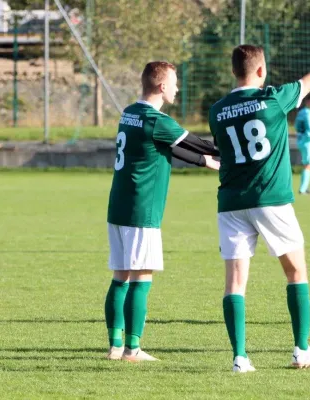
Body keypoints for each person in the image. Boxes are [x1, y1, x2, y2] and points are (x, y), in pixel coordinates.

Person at [208, 24, 310, 372]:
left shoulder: (217, 110)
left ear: (234, 71)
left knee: (235, 282)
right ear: (262, 70)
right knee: (296, 271)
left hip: (232, 202)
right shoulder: (273, 98)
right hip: (271, 198)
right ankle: (301, 350)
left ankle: (239, 357)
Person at [105, 61, 219, 362]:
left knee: (120, 277)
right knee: (142, 277)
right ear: (162, 86)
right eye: (176, 82)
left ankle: (115, 346)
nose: (178, 88)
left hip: (118, 206)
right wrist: (230, 151)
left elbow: (166, 146)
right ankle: (133, 349)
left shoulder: (130, 112)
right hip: (142, 209)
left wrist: (201, 162)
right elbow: (196, 142)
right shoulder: (158, 120)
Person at [295, 94, 310, 194]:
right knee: (309, 164)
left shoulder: (302, 112)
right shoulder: (308, 113)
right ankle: (302, 189)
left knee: (308, 164)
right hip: (308, 141)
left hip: (302, 140)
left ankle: (304, 187)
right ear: (307, 102)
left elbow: (297, 127)